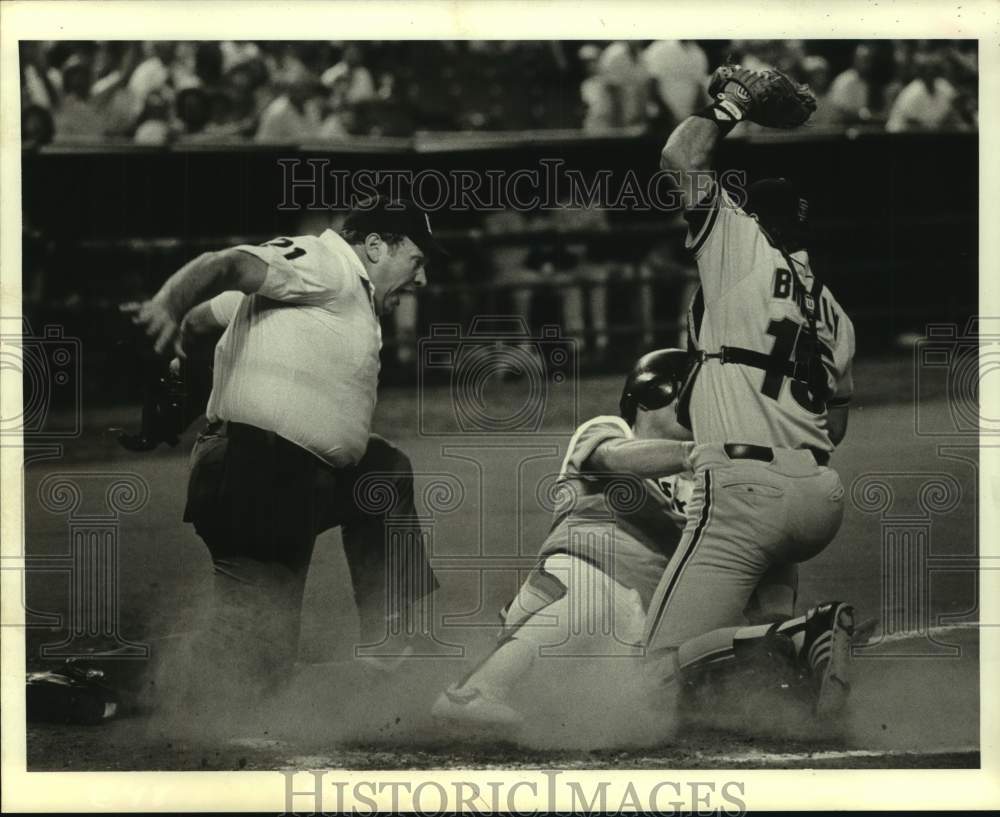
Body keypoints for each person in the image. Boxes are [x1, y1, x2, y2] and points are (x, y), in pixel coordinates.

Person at [122, 197, 443, 717]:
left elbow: (204, 322)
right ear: (377, 246)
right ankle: (106, 684)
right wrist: (166, 302)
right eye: (418, 260)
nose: (422, 279)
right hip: (256, 474)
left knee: (383, 473)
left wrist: (180, 389)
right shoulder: (326, 263)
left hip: (286, 481)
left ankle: (393, 640)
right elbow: (222, 264)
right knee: (249, 673)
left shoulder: (336, 290)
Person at [431, 349, 802, 727]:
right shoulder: (609, 430)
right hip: (570, 591)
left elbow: (771, 548)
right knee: (605, 598)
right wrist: (696, 454)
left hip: (637, 634)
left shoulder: (713, 484)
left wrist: (777, 620)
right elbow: (612, 458)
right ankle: (474, 691)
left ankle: (795, 656)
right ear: (656, 393)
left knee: (669, 679)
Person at [647, 64, 858, 718]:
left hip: (744, 491)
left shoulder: (739, 246)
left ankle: (804, 635)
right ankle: (789, 677)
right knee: (746, 665)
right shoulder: (833, 311)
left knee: (651, 678)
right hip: (818, 497)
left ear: (752, 219)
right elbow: (837, 423)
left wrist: (732, 107)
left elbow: (680, 155)